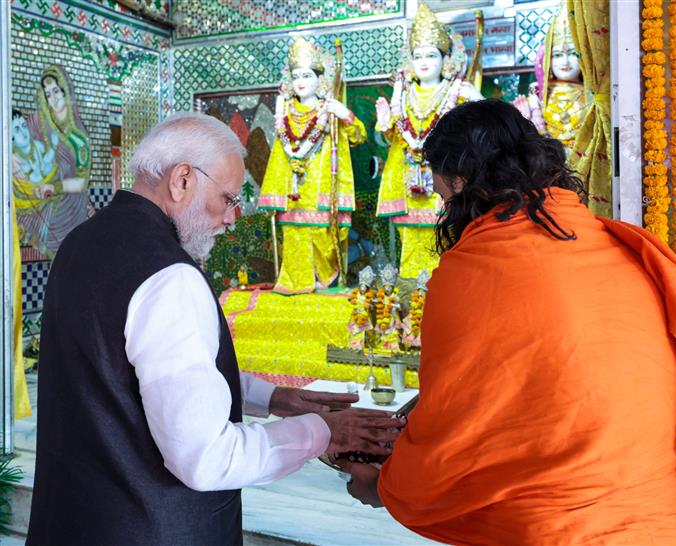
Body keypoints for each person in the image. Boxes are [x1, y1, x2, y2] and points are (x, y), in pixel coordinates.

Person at [341, 100, 676, 545]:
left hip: (554, 527)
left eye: (441, 195)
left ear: (459, 179)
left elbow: (456, 425)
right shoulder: (620, 247)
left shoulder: (471, 270)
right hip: (658, 518)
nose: (442, 207)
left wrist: (384, 486)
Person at [27, 112, 403, 546]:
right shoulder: (169, 275)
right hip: (153, 528)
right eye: (228, 198)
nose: (232, 218)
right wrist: (324, 432)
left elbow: (139, 371)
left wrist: (273, 398)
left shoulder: (80, 242)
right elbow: (206, 459)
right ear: (182, 179)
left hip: (74, 521)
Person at [375, 3, 482, 279]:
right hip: (406, 177)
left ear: (446, 60)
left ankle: (446, 285)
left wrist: (478, 102)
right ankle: (411, 288)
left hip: (444, 176)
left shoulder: (457, 93)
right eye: (418, 55)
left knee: (447, 232)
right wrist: (386, 123)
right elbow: (391, 135)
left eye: (431, 55)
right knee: (410, 238)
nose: (423, 61)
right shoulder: (402, 94)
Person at [257, 37, 366, 294]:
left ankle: (325, 279)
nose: (301, 81)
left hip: (323, 188)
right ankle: (295, 282)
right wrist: (273, 192)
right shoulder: (284, 113)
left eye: (307, 75)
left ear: (321, 78)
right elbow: (279, 155)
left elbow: (358, 136)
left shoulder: (329, 109)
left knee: (324, 237)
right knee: (293, 236)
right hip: (292, 191)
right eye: (296, 76)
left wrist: (345, 116)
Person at [22, 65, 92, 258]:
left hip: (70, 208)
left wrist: (55, 187)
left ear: (65, 91)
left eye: (55, 91)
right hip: (39, 200)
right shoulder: (39, 125)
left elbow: (82, 182)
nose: (52, 98)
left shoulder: (78, 139)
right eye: (47, 94)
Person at [513, 4, 587, 153]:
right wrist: (525, 121)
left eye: (573, 54)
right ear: (546, 60)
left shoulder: (594, 94)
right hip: (549, 165)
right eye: (558, 55)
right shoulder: (537, 96)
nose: (565, 62)